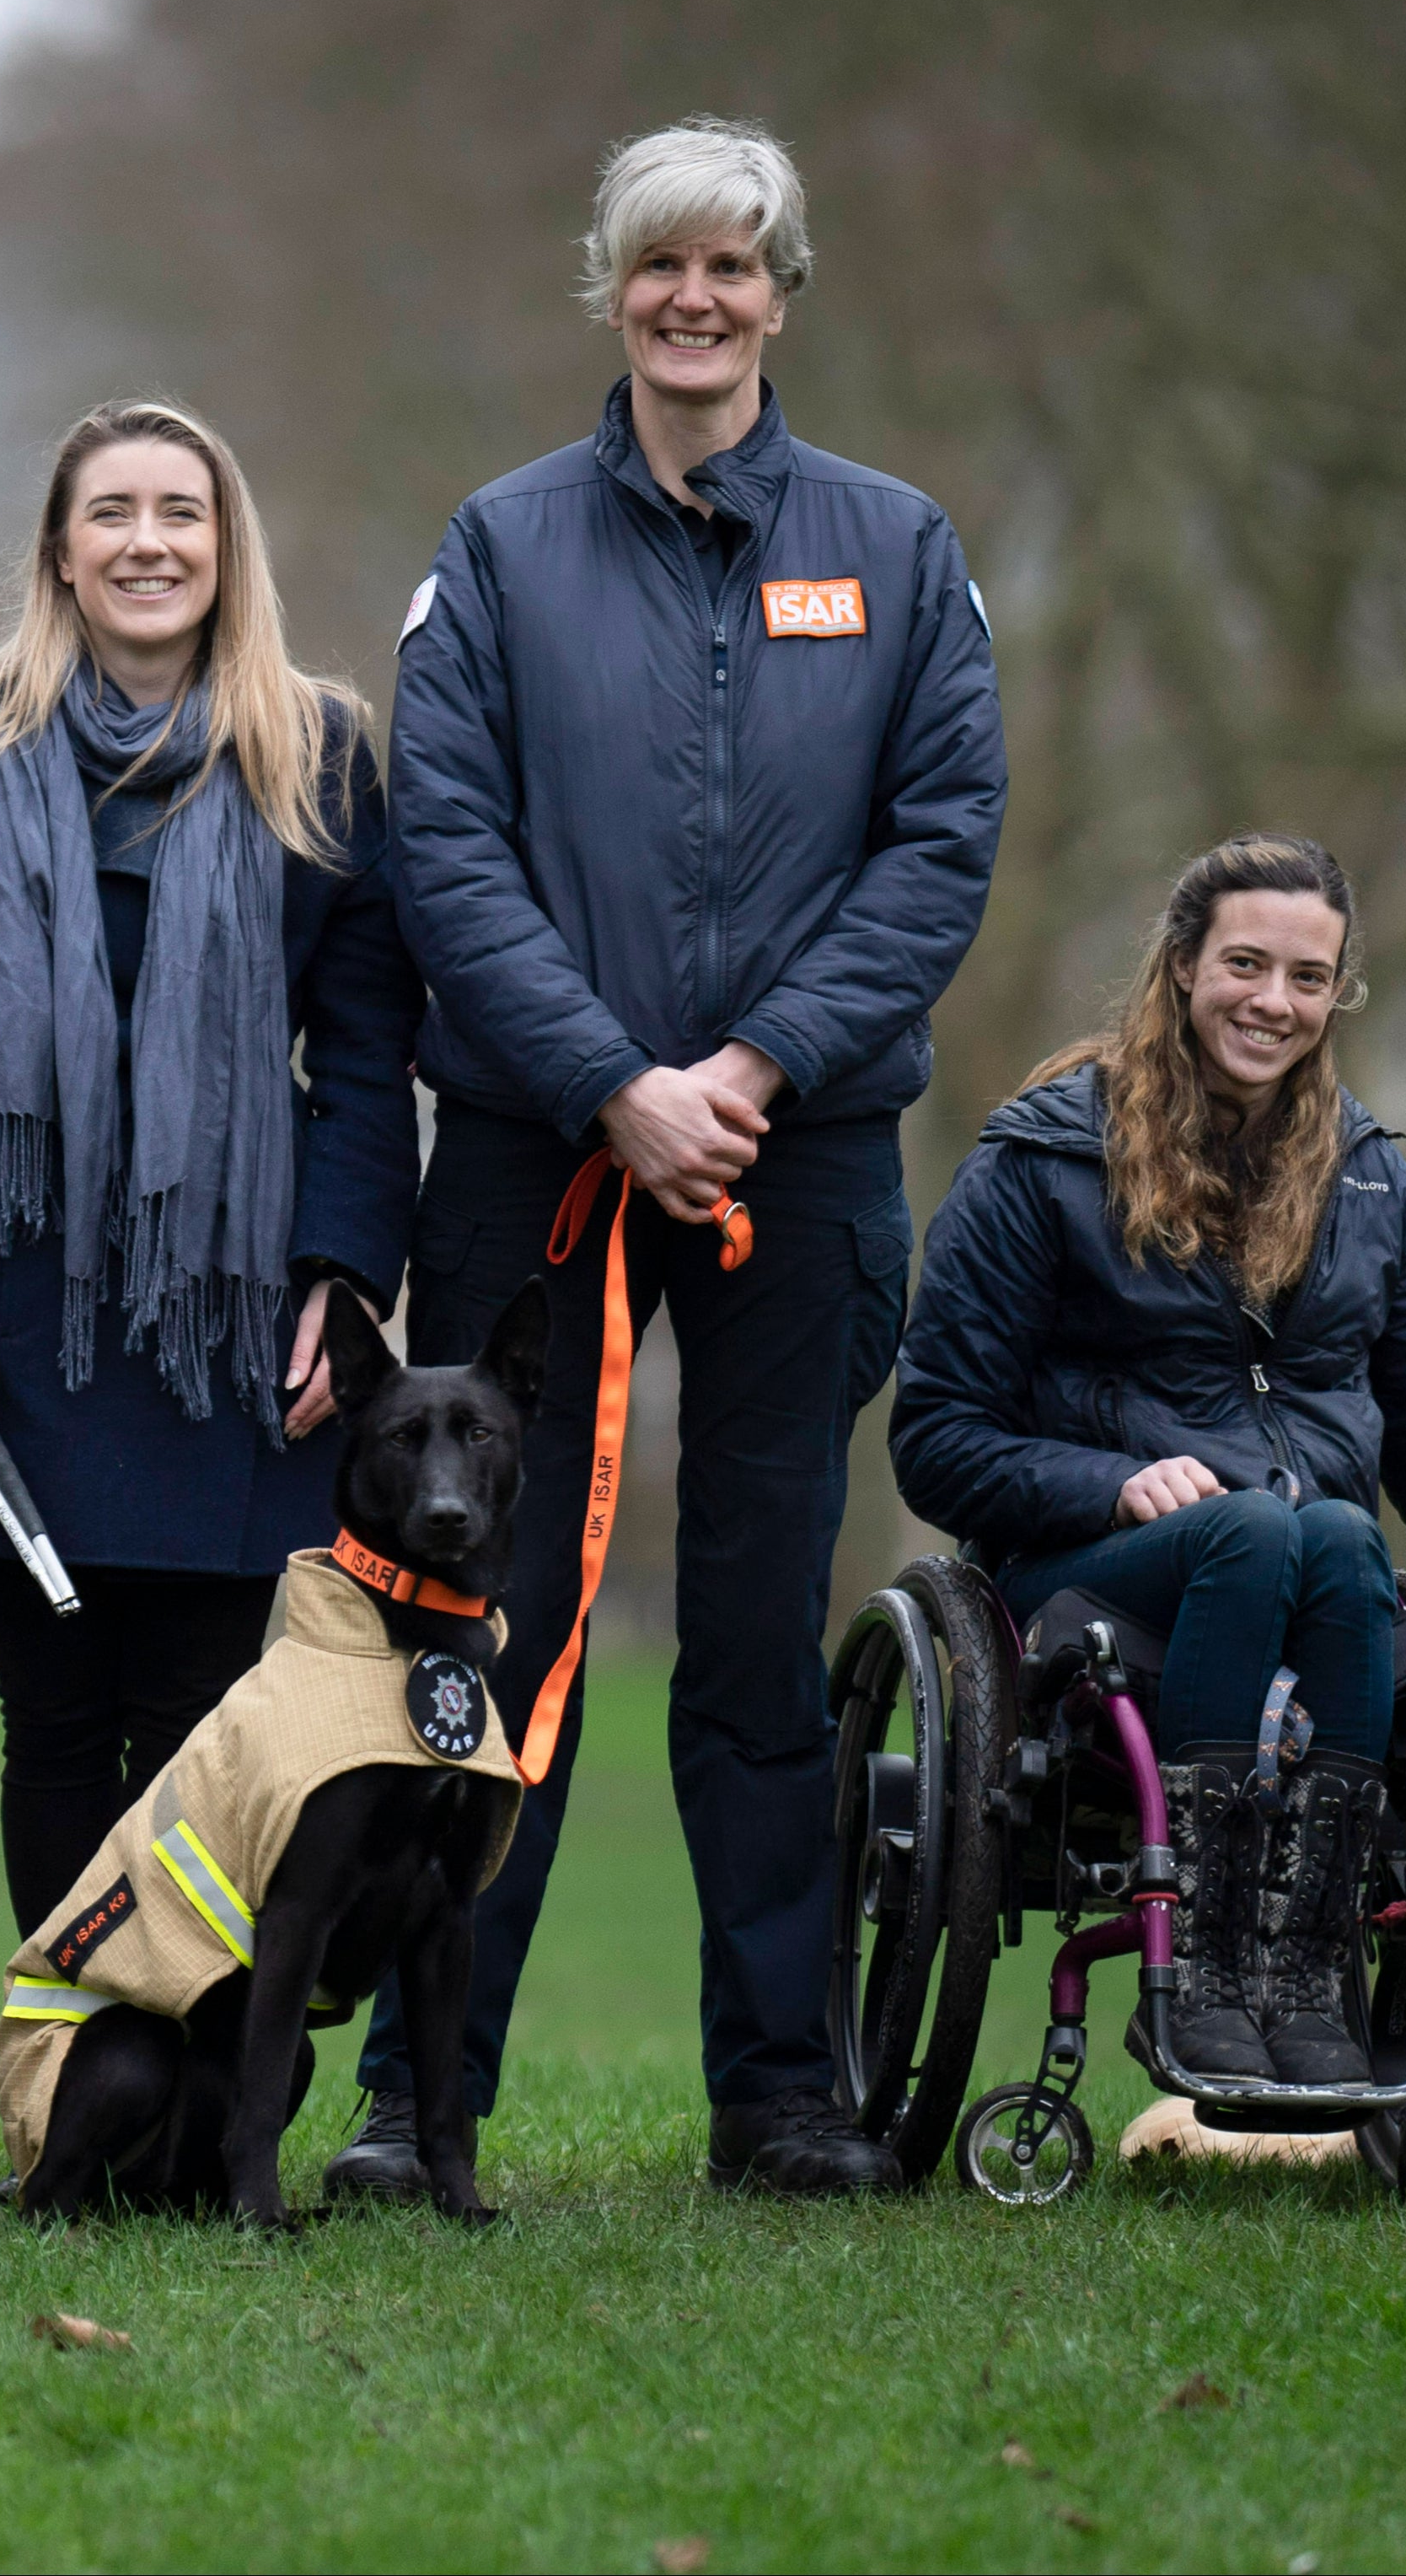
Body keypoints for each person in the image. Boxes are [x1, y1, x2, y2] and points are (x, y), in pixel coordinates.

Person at [352, 116, 1006, 2202]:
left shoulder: (901, 552)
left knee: (749, 1644)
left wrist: (757, 1061)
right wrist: (612, 1078)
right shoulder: (497, 545)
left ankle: (780, 2093)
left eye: (733, 267)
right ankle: (415, 2094)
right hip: (533, 1166)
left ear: (783, 294)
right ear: (611, 290)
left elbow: (939, 844)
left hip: (793, 1166)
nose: (694, 300)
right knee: (480, 1629)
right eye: (659, 268)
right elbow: (440, 853)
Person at [889, 832, 1406, 2085]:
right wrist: (1108, 1480)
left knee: (1334, 1531)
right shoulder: (1042, 1161)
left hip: (1316, 1589)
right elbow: (937, 1437)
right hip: (1091, 1579)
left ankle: (1294, 1960)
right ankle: (1211, 1955)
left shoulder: (1374, 1183)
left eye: (1307, 976)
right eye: (1244, 963)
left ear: (1339, 995)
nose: (1272, 1002)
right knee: (1261, 1525)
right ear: (1180, 965)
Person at [0, 396, 422, 1939]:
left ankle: (186, 2083)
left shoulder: (323, 752)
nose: (148, 541)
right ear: (61, 550)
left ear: (228, 545)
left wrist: (345, 1278)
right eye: (113, 512)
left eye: (182, 511)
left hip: (237, 1319)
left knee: (206, 1719)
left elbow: (367, 1055)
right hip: (23, 1316)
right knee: (53, 1730)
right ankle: (67, 2069)